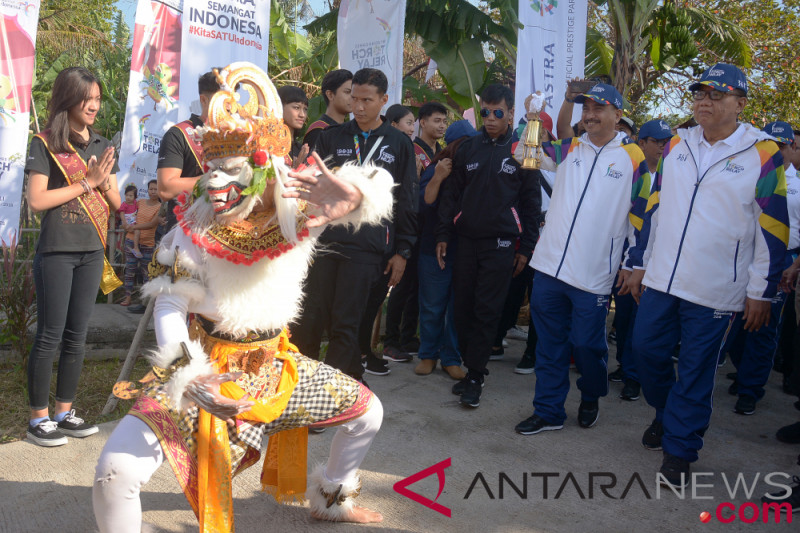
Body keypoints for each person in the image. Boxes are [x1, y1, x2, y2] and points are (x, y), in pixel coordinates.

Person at [92, 62, 394, 531]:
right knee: (114, 471)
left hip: (274, 368)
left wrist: (352, 195)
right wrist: (188, 375)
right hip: (203, 367)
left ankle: (331, 498)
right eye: (211, 168)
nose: (214, 181)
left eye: (231, 169)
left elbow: (372, 191)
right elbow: (170, 305)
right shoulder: (189, 231)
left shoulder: (296, 214)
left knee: (367, 413)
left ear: (264, 169)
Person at [625, 64, 789, 488]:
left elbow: (773, 226)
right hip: (662, 280)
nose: (704, 101)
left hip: (718, 289)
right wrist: (639, 263)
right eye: (700, 93)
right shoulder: (678, 143)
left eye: (717, 95)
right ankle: (665, 413)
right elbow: (654, 206)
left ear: (740, 103)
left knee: (697, 370)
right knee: (645, 353)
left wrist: (760, 291)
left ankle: (680, 449)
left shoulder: (764, 152)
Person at [513, 83, 650, 434]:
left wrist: (632, 263)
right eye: (586, 108)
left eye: (599, 108)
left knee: (588, 346)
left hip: (593, 274)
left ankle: (591, 394)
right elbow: (524, 155)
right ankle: (548, 411)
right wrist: (531, 118)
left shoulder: (633, 158)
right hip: (549, 266)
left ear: (617, 116)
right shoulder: (570, 147)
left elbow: (641, 217)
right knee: (550, 345)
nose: (590, 114)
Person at [292, 68, 418, 381]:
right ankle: (310, 388)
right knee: (311, 320)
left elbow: (407, 201)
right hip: (325, 241)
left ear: (384, 100)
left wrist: (402, 250)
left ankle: (330, 396)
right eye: (354, 97)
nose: (358, 106)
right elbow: (311, 184)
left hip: (367, 247)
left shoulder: (399, 144)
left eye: (367, 100)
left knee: (345, 323)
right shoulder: (331, 136)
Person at [24, 66, 121, 447]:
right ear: (69, 99)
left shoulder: (101, 144)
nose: (95, 105)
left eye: (98, 98)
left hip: (92, 251)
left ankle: (64, 411)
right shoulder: (45, 143)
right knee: (49, 335)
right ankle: (38, 419)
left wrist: (118, 191)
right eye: (88, 99)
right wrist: (86, 183)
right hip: (57, 251)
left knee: (77, 336)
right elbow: (37, 200)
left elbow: (113, 201)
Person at [435, 84, 541, 408]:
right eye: (486, 112)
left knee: (486, 309)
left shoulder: (526, 150)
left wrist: (527, 247)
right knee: (463, 309)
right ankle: (472, 368)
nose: (491, 119)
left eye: (498, 113)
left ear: (511, 113)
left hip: (501, 243)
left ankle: (476, 375)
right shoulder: (468, 148)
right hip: (466, 241)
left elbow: (531, 202)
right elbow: (451, 195)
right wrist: (443, 234)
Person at [722, 122, 799, 416]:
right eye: (773, 145)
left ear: (792, 148)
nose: (777, 152)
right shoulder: (751, 171)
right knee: (737, 326)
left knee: (763, 328)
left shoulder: (798, 184)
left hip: (781, 262)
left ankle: (750, 389)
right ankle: (744, 372)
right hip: (743, 258)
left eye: (783, 146)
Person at [610, 119, 674, 400]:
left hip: (652, 257)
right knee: (622, 316)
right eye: (657, 141)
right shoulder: (629, 171)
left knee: (640, 318)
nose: (662, 147)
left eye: (665, 142)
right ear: (642, 142)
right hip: (624, 254)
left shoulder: (673, 172)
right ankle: (625, 367)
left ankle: (635, 377)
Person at [414, 120, 477, 379]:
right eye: (465, 144)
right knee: (432, 305)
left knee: (456, 307)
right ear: (454, 146)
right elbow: (425, 203)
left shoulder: (475, 168)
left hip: (464, 249)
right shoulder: (436, 167)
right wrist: (438, 176)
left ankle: (451, 357)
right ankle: (428, 354)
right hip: (433, 249)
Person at [157, 69, 220, 230]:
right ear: (204, 100)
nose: (230, 108)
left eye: (233, 101)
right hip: (186, 233)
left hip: (227, 236)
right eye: (223, 101)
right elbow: (165, 189)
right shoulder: (179, 135)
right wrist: (215, 180)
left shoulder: (240, 138)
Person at [120, 179, 163, 307]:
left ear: (160, 191)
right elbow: (128, 212)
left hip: (148, 244)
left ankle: (145, 302)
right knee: (130, 271)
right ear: (147, 190)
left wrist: (135, 227)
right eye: (151, 189)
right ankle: (128, 298)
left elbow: (151, 224)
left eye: (156, 189)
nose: (153, 192)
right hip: (131, 240)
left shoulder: (160, 207)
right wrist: (125, 224)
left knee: (146, 274)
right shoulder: (140, 202)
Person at [302, 69, 352, 149]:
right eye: (347, 92)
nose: (353, 97)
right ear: (330, 95)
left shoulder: (349, 130)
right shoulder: (319, 130)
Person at [277, 85, 310, 164]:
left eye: (305, 109)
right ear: (280, 107)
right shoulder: (269, 147)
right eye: (296, 107)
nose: (302, 115)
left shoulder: (301, 149)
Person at [413, 102, 447, 171]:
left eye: (444, 121)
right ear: (423, 123)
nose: (442, 126)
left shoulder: (443, 153)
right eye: (437, 121)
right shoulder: (411, 150)